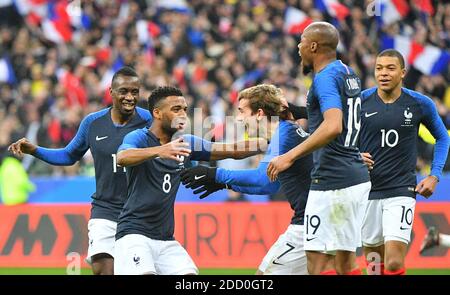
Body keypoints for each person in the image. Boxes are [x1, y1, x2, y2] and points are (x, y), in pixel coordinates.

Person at [8, 66, 152, 275]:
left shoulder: (149, 121)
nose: (130, 97)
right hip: (105, 210)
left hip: (139, 213)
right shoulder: (93, 123)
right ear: (111, 92)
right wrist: (34, 150)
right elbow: (69, 155)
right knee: (103, 269)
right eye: (124, 91)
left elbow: (171, 150)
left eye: (135, 92)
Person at [113, 86, 265, 275]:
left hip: (166, 239)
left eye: (185, 109)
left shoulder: (187, 143)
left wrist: (268, 141)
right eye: (176, 109)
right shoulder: (139, 137)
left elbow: (232, 150)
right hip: (133, 235)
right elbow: (123, 157)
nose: (183, 114)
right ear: (157, 113)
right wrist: (161, 151)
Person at [266, 22, 371, 275]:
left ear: (313, 46)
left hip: (331, 182)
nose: (298, 47)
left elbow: (334, 125)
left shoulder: (324, 79)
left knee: (317, 262)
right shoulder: (348, 73)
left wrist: (288, 156)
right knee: (346, 264)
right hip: (354, 178)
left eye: (301, 41)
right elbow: (347, 120)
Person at [181, 84, 318, 275]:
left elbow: (262, 179)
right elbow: (270, 186)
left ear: (259, 113)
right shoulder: (283, 133)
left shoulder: (284, 134)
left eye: (242, 111)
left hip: (308, 224)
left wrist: (217, 175)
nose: (238, 118)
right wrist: (226, 183)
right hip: (313, 220)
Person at [358, 49, 450, 275]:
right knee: (373, 266)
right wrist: (354, 156)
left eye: (390, 68)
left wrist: (434, 174)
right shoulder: (360, 101)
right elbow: (339, 137)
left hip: (401, 190)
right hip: (365, 191)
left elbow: (442, 137)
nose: (383, 73)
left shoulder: (419, 103)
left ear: (403, 73)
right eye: (379, 68)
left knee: (394, 263)